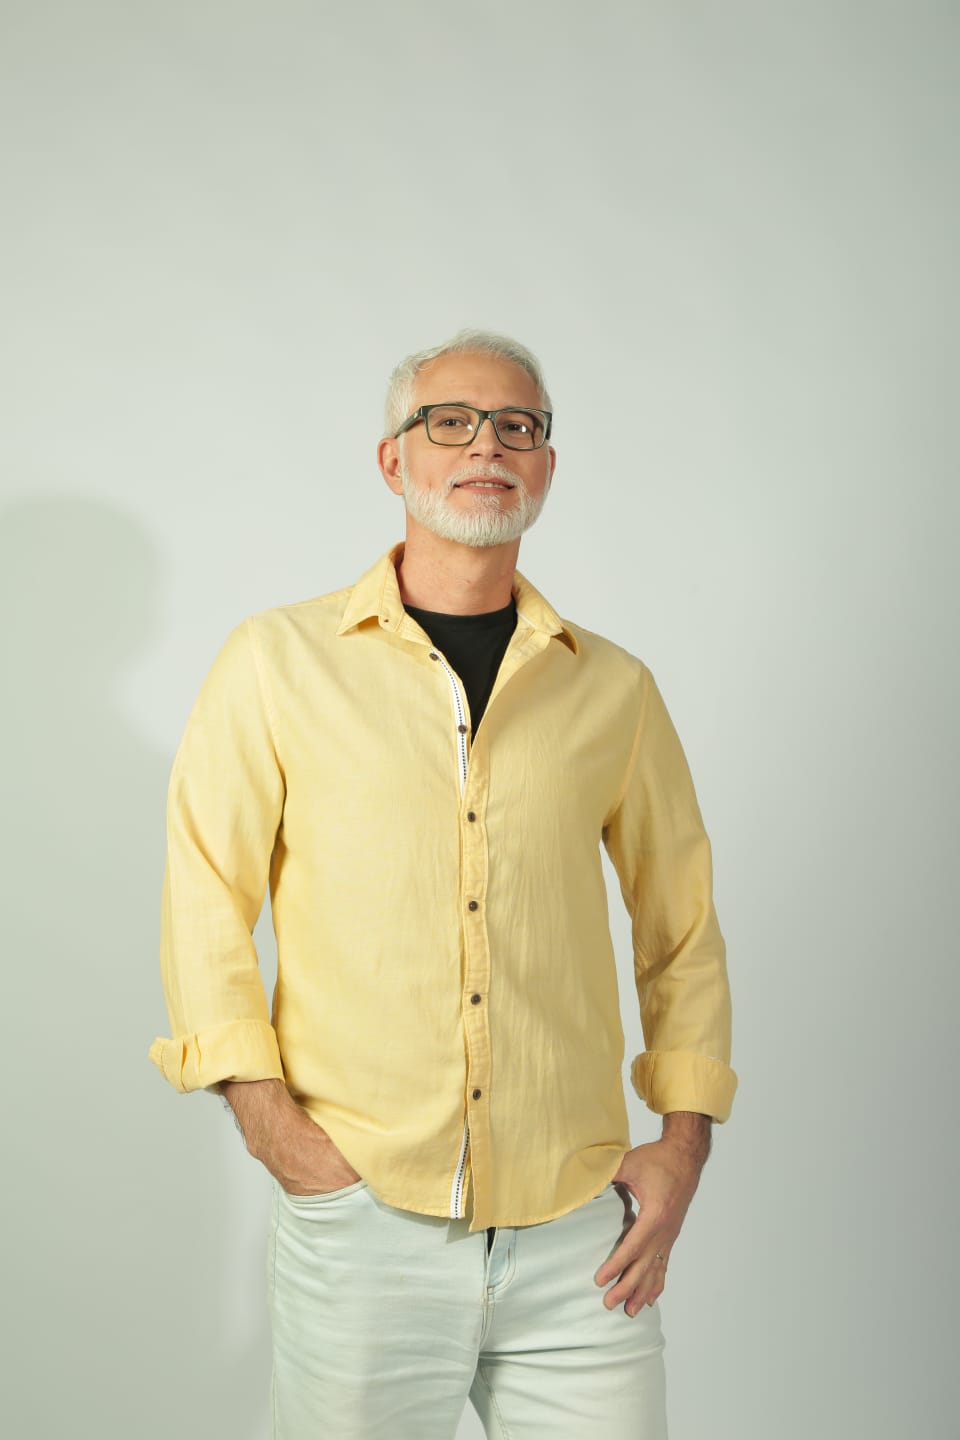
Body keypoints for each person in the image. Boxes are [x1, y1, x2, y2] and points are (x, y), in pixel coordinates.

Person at [150, 328, 737, 1439]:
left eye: (517, 426)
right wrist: (275, 1130)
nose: (487, 447)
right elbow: (205, 898)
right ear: (394, 459)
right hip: (365, 1218)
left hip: (583, 1232)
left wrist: (683, 1142)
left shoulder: (613, 687)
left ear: (546, 465)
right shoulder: (277, 661)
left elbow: (681, 925)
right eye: (452, 422)